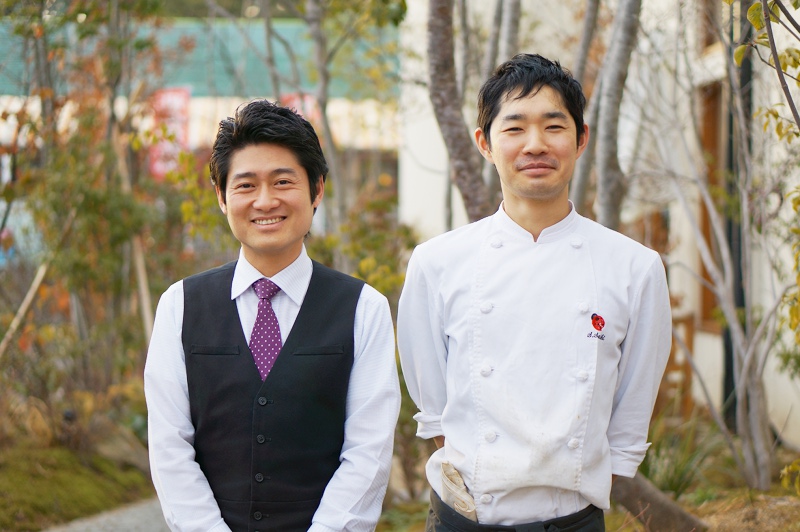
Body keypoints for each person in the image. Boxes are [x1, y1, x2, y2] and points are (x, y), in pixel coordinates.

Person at [397, 54, 672, 531]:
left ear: (581, 139)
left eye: (554, 126)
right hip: (464, 518)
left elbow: (632, 408)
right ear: (485, 144)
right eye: (515, 128)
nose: (535, 144)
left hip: (574, 521)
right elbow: (435, 409)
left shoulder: (634, 267)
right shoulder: (436, 262)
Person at [144, 99, 401, 532]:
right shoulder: (180, 305)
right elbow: (170, 447)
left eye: (283, 181)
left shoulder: (363, 308)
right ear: (222, 197)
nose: (265, 201)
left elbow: (368, 453)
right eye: (246, 185)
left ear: (317, 190)